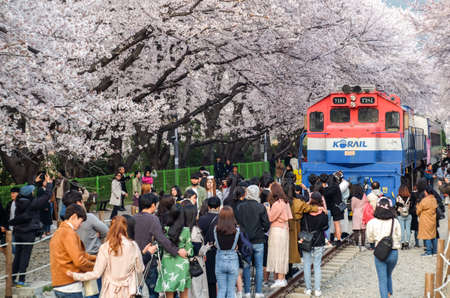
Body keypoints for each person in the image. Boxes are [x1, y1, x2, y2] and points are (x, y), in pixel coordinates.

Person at [67, 216, 149, 298]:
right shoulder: (133, 246)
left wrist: (76, 276)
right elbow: (140, 269)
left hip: (110, 291)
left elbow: (96, 274)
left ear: (111, 228)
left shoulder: (105, 247)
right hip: (128, 291)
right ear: (125, 228)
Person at [133, 193, 188, 297]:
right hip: (149, 259)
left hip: (133, 259)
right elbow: (162, 239)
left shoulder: (133, 218)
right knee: (153, 292)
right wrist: (176, 250)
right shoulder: (153, 219)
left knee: (135, 290)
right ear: (153, 205)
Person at [9, 174, 53, 287]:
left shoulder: (18, 201)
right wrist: (49, 184)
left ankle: (12, 279)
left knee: (17, 256)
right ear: (30, 194)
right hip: (28, 233)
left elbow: (26, 191)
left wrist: (34, 182)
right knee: (25, 256)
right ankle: (22, 280)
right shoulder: (33, 203)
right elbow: (47, 196)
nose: (34, 192)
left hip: (18, 231)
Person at [50, 204, 96, 297]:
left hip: (59, 283)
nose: (80, 225)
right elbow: (79, 261)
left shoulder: (58, 232)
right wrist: (95, 267)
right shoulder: (69, 233)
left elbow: (79, 254)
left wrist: (97, 258)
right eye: (81, 221)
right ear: (74, 216)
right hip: (70, 285)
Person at [234, 185, 270, 297]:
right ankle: (259, 292)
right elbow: (266, 224)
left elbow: (237, 222)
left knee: (246, 266)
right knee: (259, 266)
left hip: (244, 241)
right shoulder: (260, 207)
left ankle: (247, 292)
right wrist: (262, 230)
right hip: (259, 240)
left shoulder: (240, 207)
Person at [155, 206, 193, 298]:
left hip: (167, 264)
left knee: (169, 294)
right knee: (184, 294)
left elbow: (159, 249)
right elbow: (190, 251)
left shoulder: (164, 230)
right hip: (182, 264)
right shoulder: (186, 230)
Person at [366, 198, 401, 298]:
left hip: (380, 253)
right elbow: (399, 237)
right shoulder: (395, 222)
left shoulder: (372, 222)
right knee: (388, 274)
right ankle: (389, 294)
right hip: (393, 252)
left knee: (382, 279)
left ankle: (385, 296)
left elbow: (370, 238)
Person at [284, 182, 319, 278]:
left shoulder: (282, 201)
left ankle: (282, 273)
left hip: (283, 227)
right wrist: (318, 208)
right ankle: (289, 271)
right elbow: (308, 208)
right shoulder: (298, 202)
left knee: (284, 249)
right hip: (295, 227)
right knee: (292, 249)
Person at [301, 192, 329, 297]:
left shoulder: (305, 212)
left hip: (307, 240)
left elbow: (302, 225)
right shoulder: (323, 213)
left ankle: (308, 289)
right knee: (317, 265)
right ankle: (317, 290)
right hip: (319, 240)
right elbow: (325, 227)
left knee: (306, 265)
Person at [266, 182, 293, 288]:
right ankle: (281, 278)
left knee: (278, 254)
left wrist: (268, 209)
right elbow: (289, 216)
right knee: (283, 253)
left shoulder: (277, 204)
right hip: (284, 230)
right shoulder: (285, 202)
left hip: (277, 230)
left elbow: (270, 218)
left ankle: (280, 279)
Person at [214, 206, 243, 298]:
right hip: (232, 259)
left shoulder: (216, 229)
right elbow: (240, 245)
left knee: (222, 289)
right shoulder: (236, 230)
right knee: (231, 290)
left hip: (220, 259)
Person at [198, 196, 221, 298]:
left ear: (208, 206)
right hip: (220, 250)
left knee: (210, 277)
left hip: (207, 250)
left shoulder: (202, 219)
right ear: (219, 206)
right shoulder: (222, 219)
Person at [184, 204, 208, 298]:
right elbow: (197, 250)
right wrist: (207, 247)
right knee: (198, 291)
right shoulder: (194, 231)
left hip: (184, 263)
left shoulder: (181, 229)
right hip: (196, 264)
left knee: (187, 291)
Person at [320, 174, 344, 245]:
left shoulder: (332, 188)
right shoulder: (336, 186)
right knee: (337, 223)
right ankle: (338, 237)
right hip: (338, 207)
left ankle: (338, 239)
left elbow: (325, 193)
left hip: (334, 208)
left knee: (336, 223)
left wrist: (323, 188)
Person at [416, 178, 438, 256]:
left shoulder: (424, 200)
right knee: (433, 235)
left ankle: (428, 252)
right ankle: (435, 251)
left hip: (425, 219)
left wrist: (418, 207)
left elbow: (418, 210)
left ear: (426, 192)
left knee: (427, 235)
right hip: (433, 219)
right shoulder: (434, 199)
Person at [350, 184, 369, 250]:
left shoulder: (353, 198)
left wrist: (355, 211)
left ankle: (357, 245)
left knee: (356, 231)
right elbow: (367, 204)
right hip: (363, 214)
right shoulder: (364, 195)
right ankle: (363, 246)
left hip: (356, 214)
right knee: (363, 231)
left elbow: (352, 207)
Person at [395, 184, 412, 249]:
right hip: (408, 214)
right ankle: (407, 243)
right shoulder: (409, 197)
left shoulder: (398, 197)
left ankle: (402, 243)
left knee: (401, 229)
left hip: (400, 215)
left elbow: (396, 206)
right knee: (408, 229)